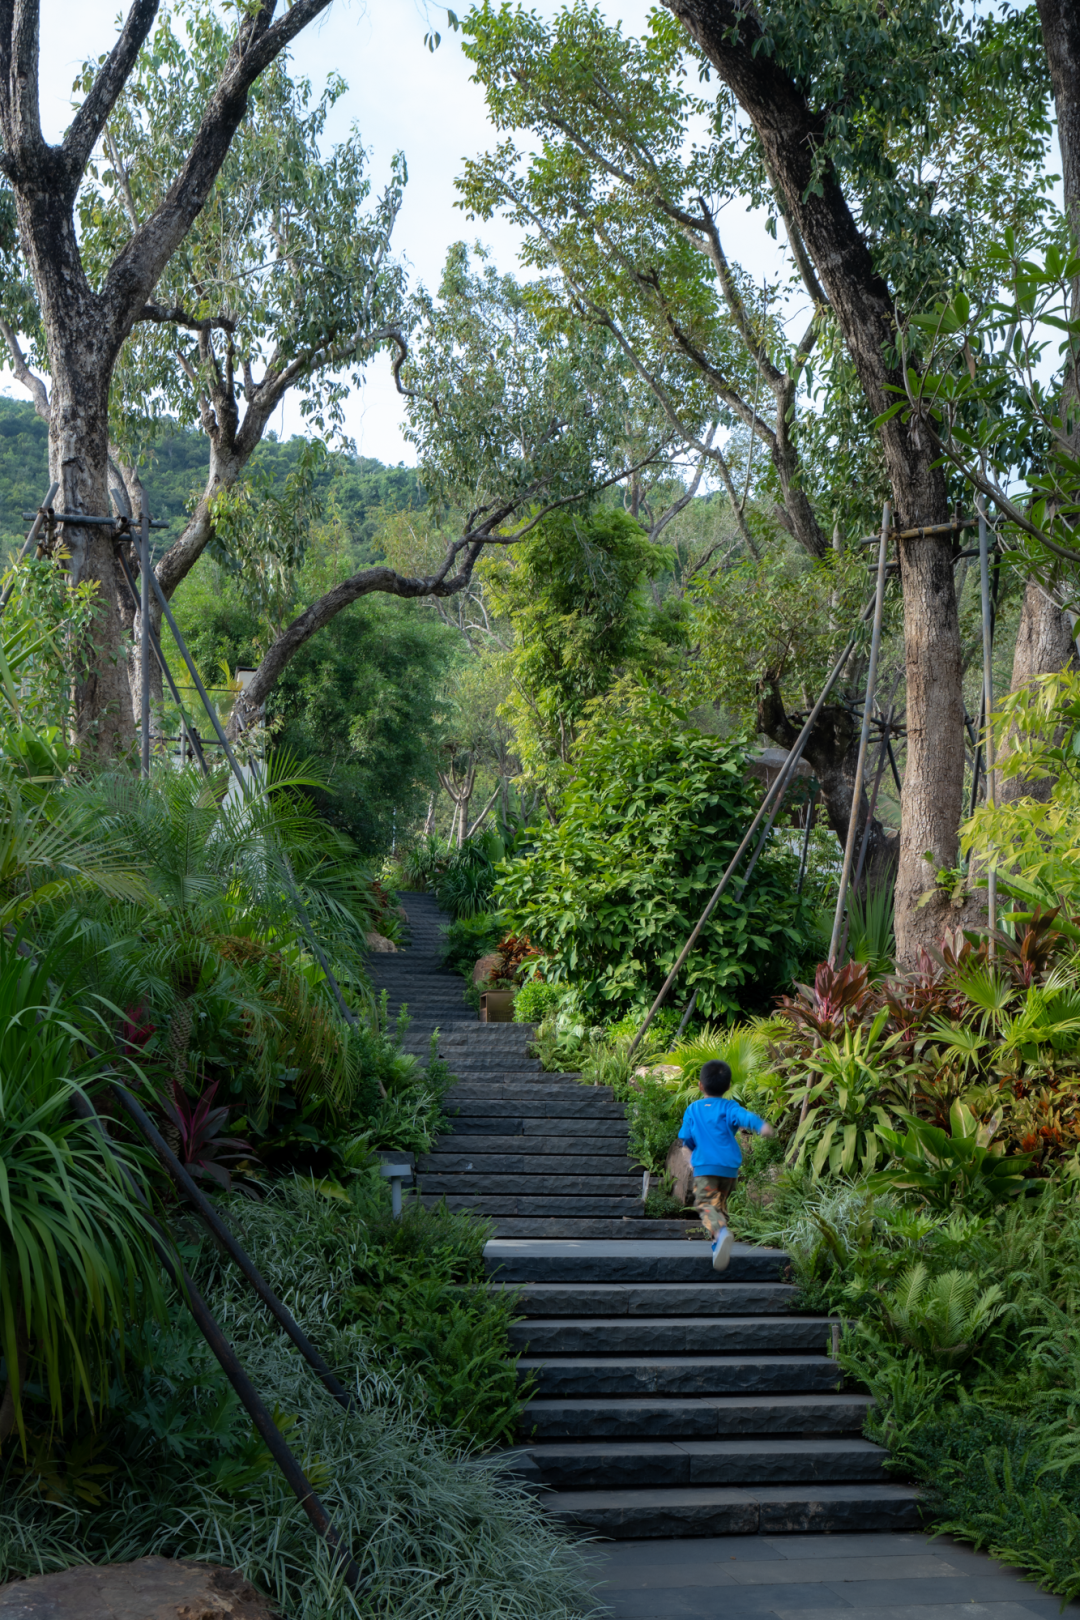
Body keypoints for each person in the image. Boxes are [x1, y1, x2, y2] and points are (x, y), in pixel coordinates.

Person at [677, 1058, 775, 1271]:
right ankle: (717, 1245)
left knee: (706, 1204)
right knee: (719, 1206)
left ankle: (721, 1234)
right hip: (729, 1170)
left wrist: (689, 1160)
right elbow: (744, 1116)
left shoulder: (693, 1110)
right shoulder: (730, 1106)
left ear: (700, 1085)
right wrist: (761, 1125)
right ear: (728, 1086)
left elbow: (687, 1142)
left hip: (706, 1167)